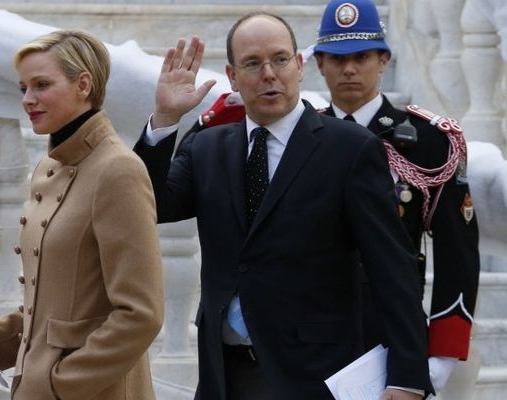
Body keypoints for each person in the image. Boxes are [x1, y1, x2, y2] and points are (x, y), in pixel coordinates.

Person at [182, 0, 481, 395]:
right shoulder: (285, 136)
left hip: (382, 333)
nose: (350, 69)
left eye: (361, 57)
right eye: (337, 59)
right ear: (318, 64)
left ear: (383, 60)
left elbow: (449, 257)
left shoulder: (427, 141)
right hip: (300, 341)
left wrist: (433, 356)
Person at [134, 11, 432, 400]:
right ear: (233, 76)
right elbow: (147, 203)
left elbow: (393, 268)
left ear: (299, 65)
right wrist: (165, 120)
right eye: (253, 64)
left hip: (313, 374)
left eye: (279, 59)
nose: (269, 74)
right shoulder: (208, 147)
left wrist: (407, 374)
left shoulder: (350, 149)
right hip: (224, 373)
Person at [0, 30, 164, 400]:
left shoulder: (118, 170)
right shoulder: (49, 166)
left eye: (41, 85)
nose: (28, 100)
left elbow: (140, 315)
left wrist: (57, 383)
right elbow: (57, 305)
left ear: (83, 84)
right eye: (23, 88)